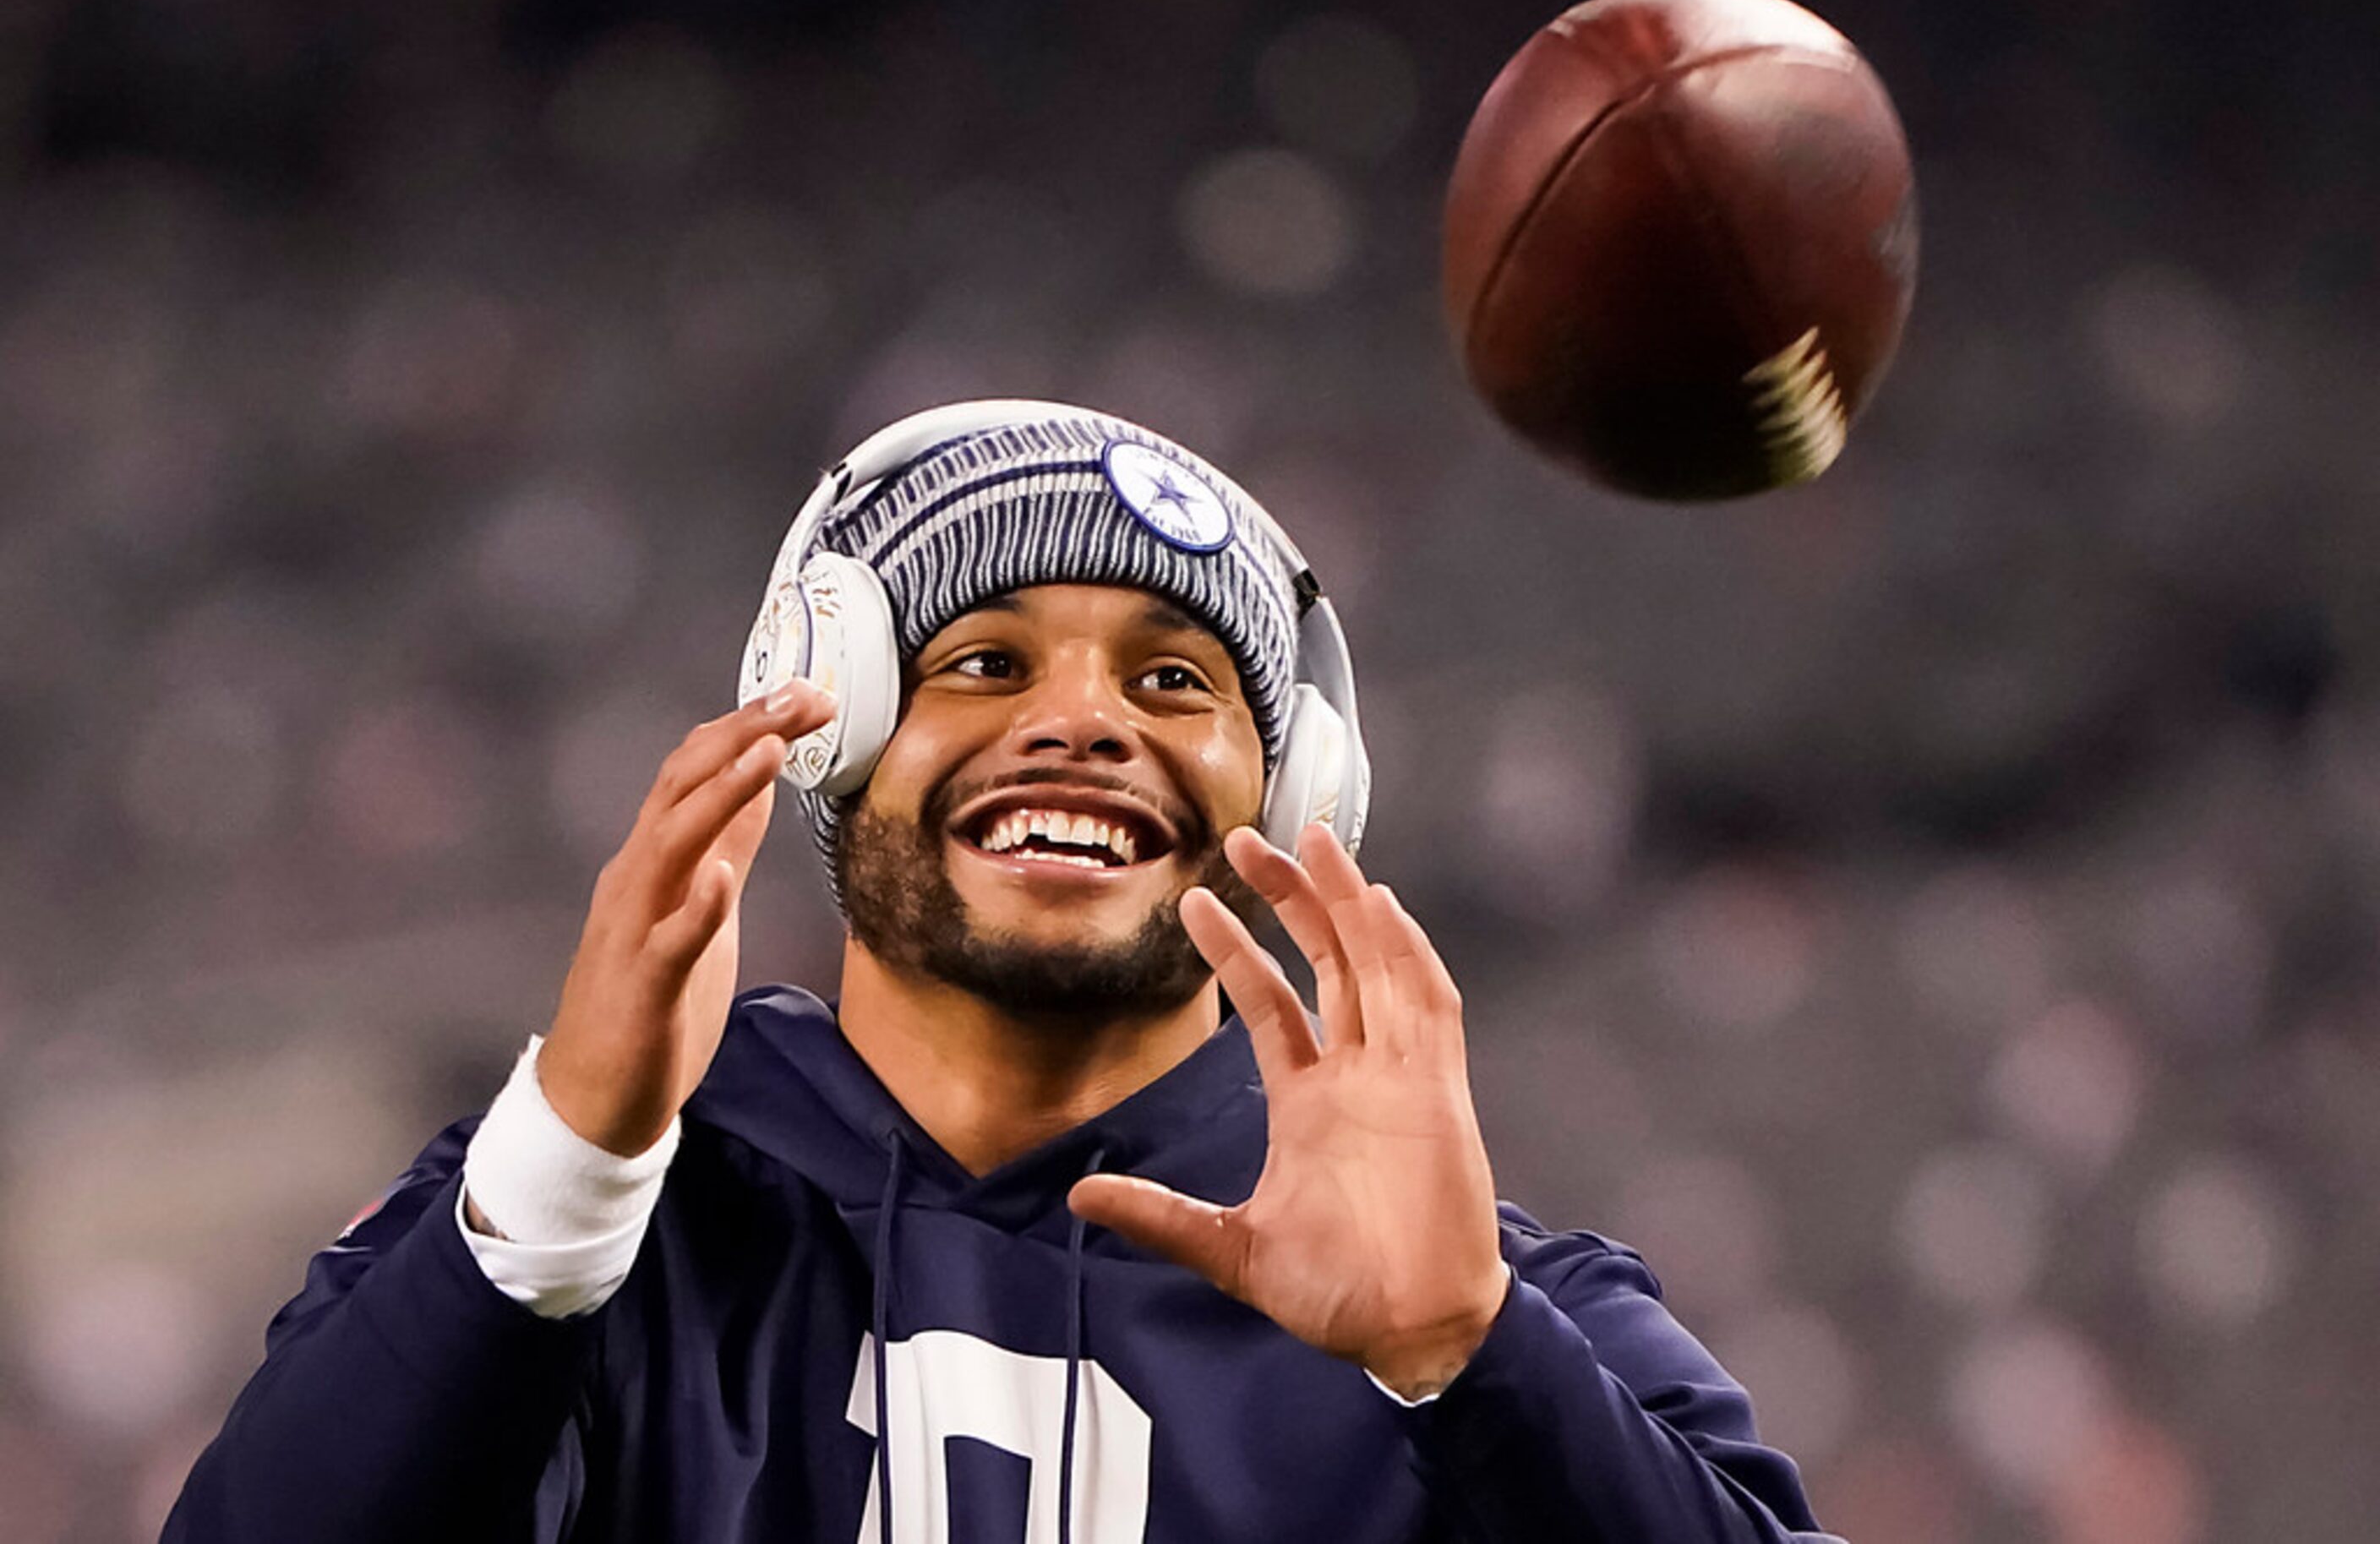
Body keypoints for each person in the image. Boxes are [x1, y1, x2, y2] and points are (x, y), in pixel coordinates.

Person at [166, 401, 1837, 1542]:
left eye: (1180, 683)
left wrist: (1473, 1361)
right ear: (827, 717)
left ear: (1299, 793)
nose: (1089, 721)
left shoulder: (1475, 1295)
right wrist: (570, 1182)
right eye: (982, 659)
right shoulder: (592, 1214)